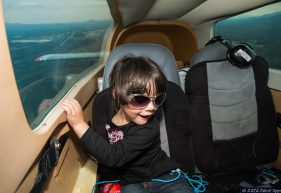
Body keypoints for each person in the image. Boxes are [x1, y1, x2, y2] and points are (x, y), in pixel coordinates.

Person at [61, 56, 195, 193]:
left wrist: (79, 125)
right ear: (117, 96)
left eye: (157, 99)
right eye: (141, 100)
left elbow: (112, 157)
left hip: (162, 176)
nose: (152, 107)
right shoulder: (110, 120)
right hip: (130, 181)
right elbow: (99, 147)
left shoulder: (149, 128)